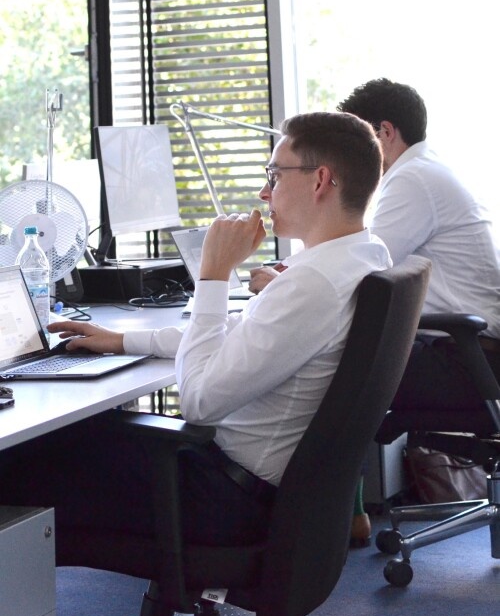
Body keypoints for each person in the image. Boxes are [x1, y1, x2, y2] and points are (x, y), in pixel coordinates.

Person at [0, 111, 391, 548]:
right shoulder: (363, 255)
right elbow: (235, 333)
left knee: (27, 455)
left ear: (320, 180)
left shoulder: (311, 284)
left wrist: (213, 275)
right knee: (72, 439)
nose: (264, 192)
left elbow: (199, 402)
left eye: (275, 175)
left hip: (227, 496)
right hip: (254, 484)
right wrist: (123, 340)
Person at [250, 79, 500, 542]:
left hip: (465, 359)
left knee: (325, 364)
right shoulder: (426, 170)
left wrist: (284, 279)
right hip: (468, 352)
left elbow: (362, 266)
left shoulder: (412, 179)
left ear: (385, 132)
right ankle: (342, 514)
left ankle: (324, 517)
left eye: (361, 137)